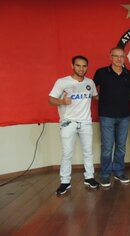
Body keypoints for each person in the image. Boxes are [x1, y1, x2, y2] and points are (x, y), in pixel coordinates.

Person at [49, 55, 100, 195]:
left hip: (85, 122)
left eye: (84, 66)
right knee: (67, 154)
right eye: (78, 65)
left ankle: (89, 178)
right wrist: (62, 102)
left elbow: (96, 97)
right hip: (68, 123)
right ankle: (65, 181)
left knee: (88, 152)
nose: (81, 68)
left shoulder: (90, 82)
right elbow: (51, 100)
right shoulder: (62, 82)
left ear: (87, 67)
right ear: (72, 66)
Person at [93, 47, 130, 187]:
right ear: (110, 57)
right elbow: (91, 88)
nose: (119, 59)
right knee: (107, 147)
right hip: (106, 116)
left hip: (124, 116)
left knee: (121, 146)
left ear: (125, 58)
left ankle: (118, 171)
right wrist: (99, 98)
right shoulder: (101, 73)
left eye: (122, 56)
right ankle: (105, 174)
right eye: (116, 56)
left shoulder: (129, 75)